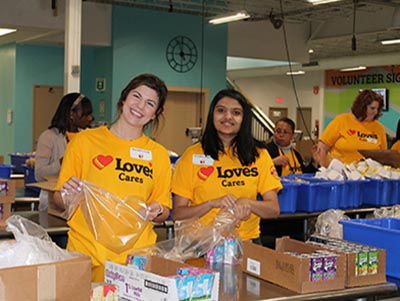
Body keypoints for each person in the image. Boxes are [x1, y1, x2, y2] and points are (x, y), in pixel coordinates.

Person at [53, 73, 172, 282]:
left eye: (150, 103)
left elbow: (164, 209)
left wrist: (158, 210)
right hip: (86, 253)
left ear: (155, 113)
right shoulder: (85, 141)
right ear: (124, 98)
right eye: (136, 96)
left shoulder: (159, 154)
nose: (140, 106)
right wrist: (69, 197)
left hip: (136, 259)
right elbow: (59, 197)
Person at [171, 89, 282, 244]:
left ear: (244, 118)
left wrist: (248, 203)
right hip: (201, 245)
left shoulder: (259, 155)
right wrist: (211, 204)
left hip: (247, 243)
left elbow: (273, 209)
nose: (228, 117)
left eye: (236, 112)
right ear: (212, 115)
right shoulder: (192, 156)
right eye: (221, 110)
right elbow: (178, 214)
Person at [35, 93, 94, 211]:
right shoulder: (49, 137)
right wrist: (63, 162)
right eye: (86, 114)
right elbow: (39, 174)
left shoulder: (88, 138)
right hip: (53, 205)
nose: (90, 118)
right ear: (72, 114)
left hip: (82, 203)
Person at [317, 89, 387, 167]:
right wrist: (322, 169)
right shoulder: (341, 121)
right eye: (372, 108)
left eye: (378, 109)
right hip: (341, 173)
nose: (376, 112)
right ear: (362, 107)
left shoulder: (379, 128)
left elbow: (384, 156)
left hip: (369, 174)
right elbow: (322, 147)